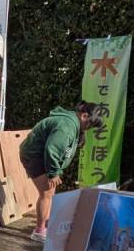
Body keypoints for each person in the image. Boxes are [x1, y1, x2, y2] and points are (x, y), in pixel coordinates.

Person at [19, 101, 105, 243]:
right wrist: (54, 173)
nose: (88, 129)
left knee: (49, 192)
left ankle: (44, 225)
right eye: (90, 125)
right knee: (47, 192)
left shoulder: (72, 124)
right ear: (84, 116)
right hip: (34, 155)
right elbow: (52, 149)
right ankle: (39, 231)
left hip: (40, 155)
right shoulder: (67, 127)